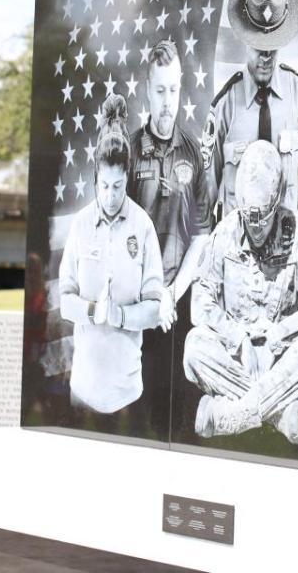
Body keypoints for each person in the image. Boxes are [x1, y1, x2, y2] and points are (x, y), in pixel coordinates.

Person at [183, 140, 298, 444]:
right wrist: (237, 339)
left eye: (262, 218)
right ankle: (278, 412)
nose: (254, 228)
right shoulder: (224, 233)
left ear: (276, 200)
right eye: (247, 217)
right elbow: (200, 302)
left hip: (281, 355)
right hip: (236, 354)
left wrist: (281, 333)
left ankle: (230, 415)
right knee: (194, 345)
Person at [58, 95, 174, 414]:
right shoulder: (80, 225)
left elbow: (154, 307)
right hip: (82, 389)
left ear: (128, 180)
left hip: (128, 394)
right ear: (95, 179)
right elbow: (65, 302)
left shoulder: (143, 226)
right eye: (105, 186)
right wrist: (96, 311)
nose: (111, 196)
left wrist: (121, 316)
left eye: (118, 186)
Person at [127, 39, 214, 434]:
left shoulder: (194, 152)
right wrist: (151, 295)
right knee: (143, 418)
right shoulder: (129, 152)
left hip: (179, 305)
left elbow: (201, 235)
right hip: (138, 308)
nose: (167, 102)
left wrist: (172, 292)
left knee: (183, 420)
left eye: (174, 91)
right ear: (147, 89)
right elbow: (119, 239)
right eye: (160, 91)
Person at [205, 0, 298, 219]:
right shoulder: (225, 104)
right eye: (259, 47)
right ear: (245, 38)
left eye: (272, 48)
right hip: (238, 250)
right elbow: (206, 197)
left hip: (287, 250)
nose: (266, 57)